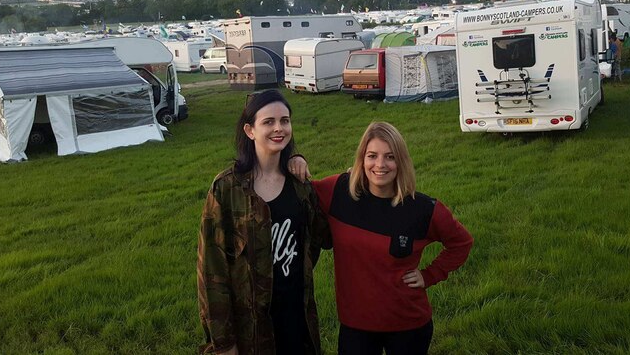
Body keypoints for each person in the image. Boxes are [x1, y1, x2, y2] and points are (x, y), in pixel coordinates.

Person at [290, 122, 473, 355]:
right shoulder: (338, 191)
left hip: (408, 324)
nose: (380, 165)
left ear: (401, 162)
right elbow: (297, 189)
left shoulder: (423, 209)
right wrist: (295, 158)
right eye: (372, 156)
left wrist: (429, 275)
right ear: (361, 159)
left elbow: (462, 242)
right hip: (355, 326)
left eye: (389, 157)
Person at [197, 89, 329, 355]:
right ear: (250, 130)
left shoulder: (300, 185)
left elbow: (318, 240)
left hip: (296, 320)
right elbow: (212, 273)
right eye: (268, 122)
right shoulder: (227, 189)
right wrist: (223, 342)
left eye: (284, 120)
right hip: (251, 330)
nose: (278, 128)